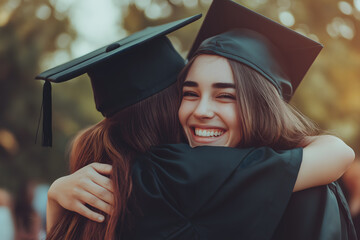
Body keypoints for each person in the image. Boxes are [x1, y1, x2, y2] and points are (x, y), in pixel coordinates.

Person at [43, 1, 355, 239]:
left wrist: (55, 198)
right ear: (168, 108)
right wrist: (288, 139)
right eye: (188, 93)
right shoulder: (184, 171)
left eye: (225, 95)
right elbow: (339, 153)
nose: (201, 110)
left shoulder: (98, 182)